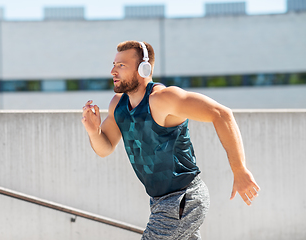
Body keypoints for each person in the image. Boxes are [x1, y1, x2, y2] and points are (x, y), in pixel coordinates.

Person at [81, 40, 260, 239]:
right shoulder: (118, 105)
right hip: (159, 201)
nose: (113, 71)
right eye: (114, 65)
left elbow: (221, 114)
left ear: (143, 68)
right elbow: (104, 148)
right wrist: (93, 131)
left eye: (121, 65)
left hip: (182, 198)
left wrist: (239, 169)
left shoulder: (163, 99)